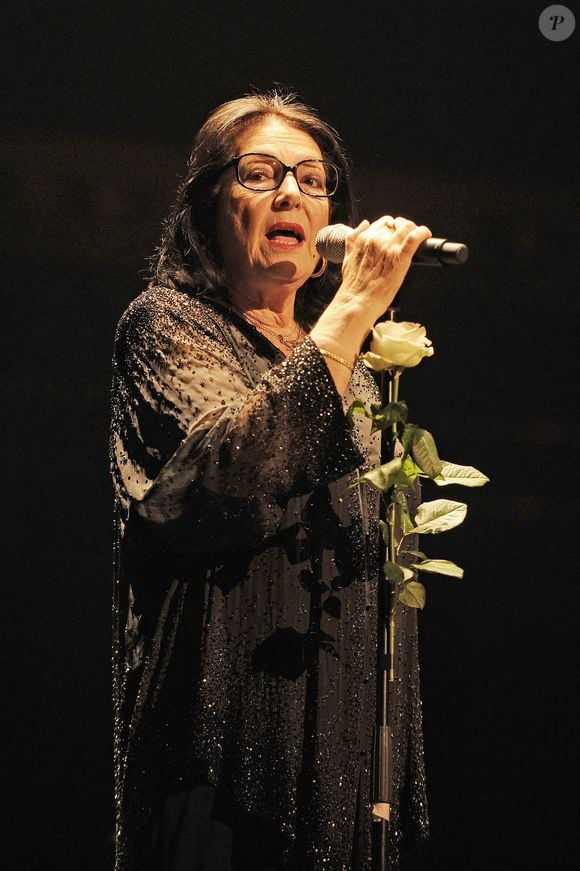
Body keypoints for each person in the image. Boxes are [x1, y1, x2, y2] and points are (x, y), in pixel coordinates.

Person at [110, 90, 432, 871]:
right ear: (208, 205)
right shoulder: (167, 326)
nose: (291, 191)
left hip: (345, 761)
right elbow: (230, 471)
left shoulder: (355, 378)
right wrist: (353, 306)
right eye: (260, 173)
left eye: (313, 180)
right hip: (216, 754)